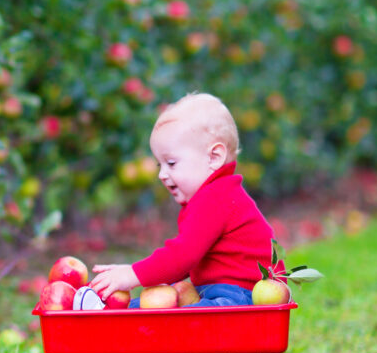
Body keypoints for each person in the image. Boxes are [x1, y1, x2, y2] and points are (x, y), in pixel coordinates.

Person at [90, 93, 279, 307]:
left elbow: (181, 258)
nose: (162, 174)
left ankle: (108, 312)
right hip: (217, 292)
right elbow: (184, 263)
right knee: (150, 308)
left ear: (213, 158)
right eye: (159, 165)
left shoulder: (215, 198)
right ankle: (112, 309)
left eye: (171, 163)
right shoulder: (216, 195)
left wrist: (132, 274)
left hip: (239, 297)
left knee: (188, 319)